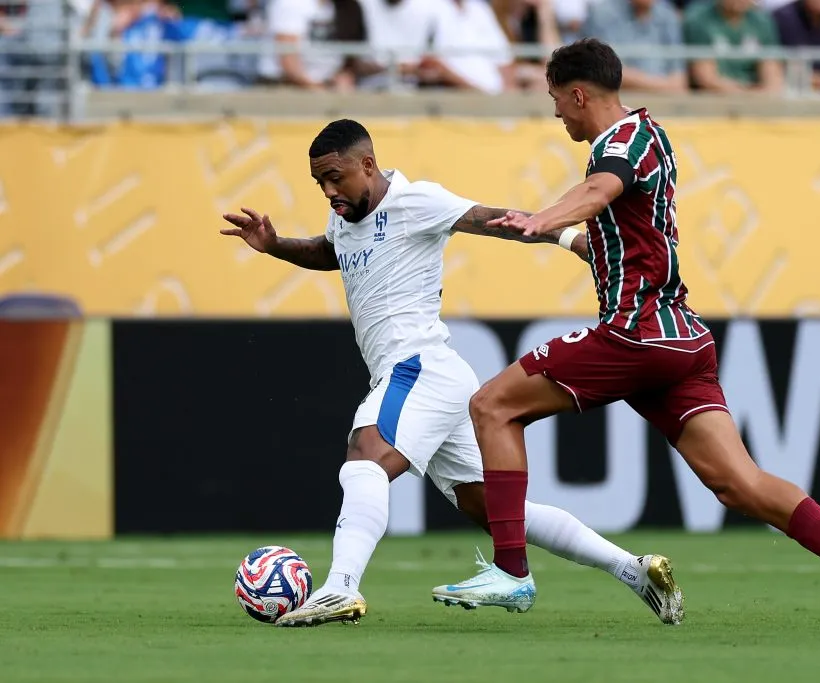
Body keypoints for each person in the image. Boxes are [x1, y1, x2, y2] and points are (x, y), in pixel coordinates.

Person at [435, 38, 820, 636]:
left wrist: (544, 215)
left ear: (579, 93)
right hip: (680, 344)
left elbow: (598, 194)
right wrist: (551, 235)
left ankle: (512, 572)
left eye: (556, 99)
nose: (556, 112)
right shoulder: (647, 138)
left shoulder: (621, 144)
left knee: (491, 406)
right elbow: (611, 240)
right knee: (738, 483)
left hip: (635, 336)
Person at [219, 119, 684, 627]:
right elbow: (332, 252)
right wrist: (276, 243)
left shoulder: (416, 200)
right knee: (497, 511)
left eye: (335, 177)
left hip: (417, 367)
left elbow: (496, 219)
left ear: (368, 165)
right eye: (320, 183)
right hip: (431, 378)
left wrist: (571, 240)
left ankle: (340, 588)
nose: (329, 191)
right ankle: (634, 570)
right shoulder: (345, 215)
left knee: (364, 458)